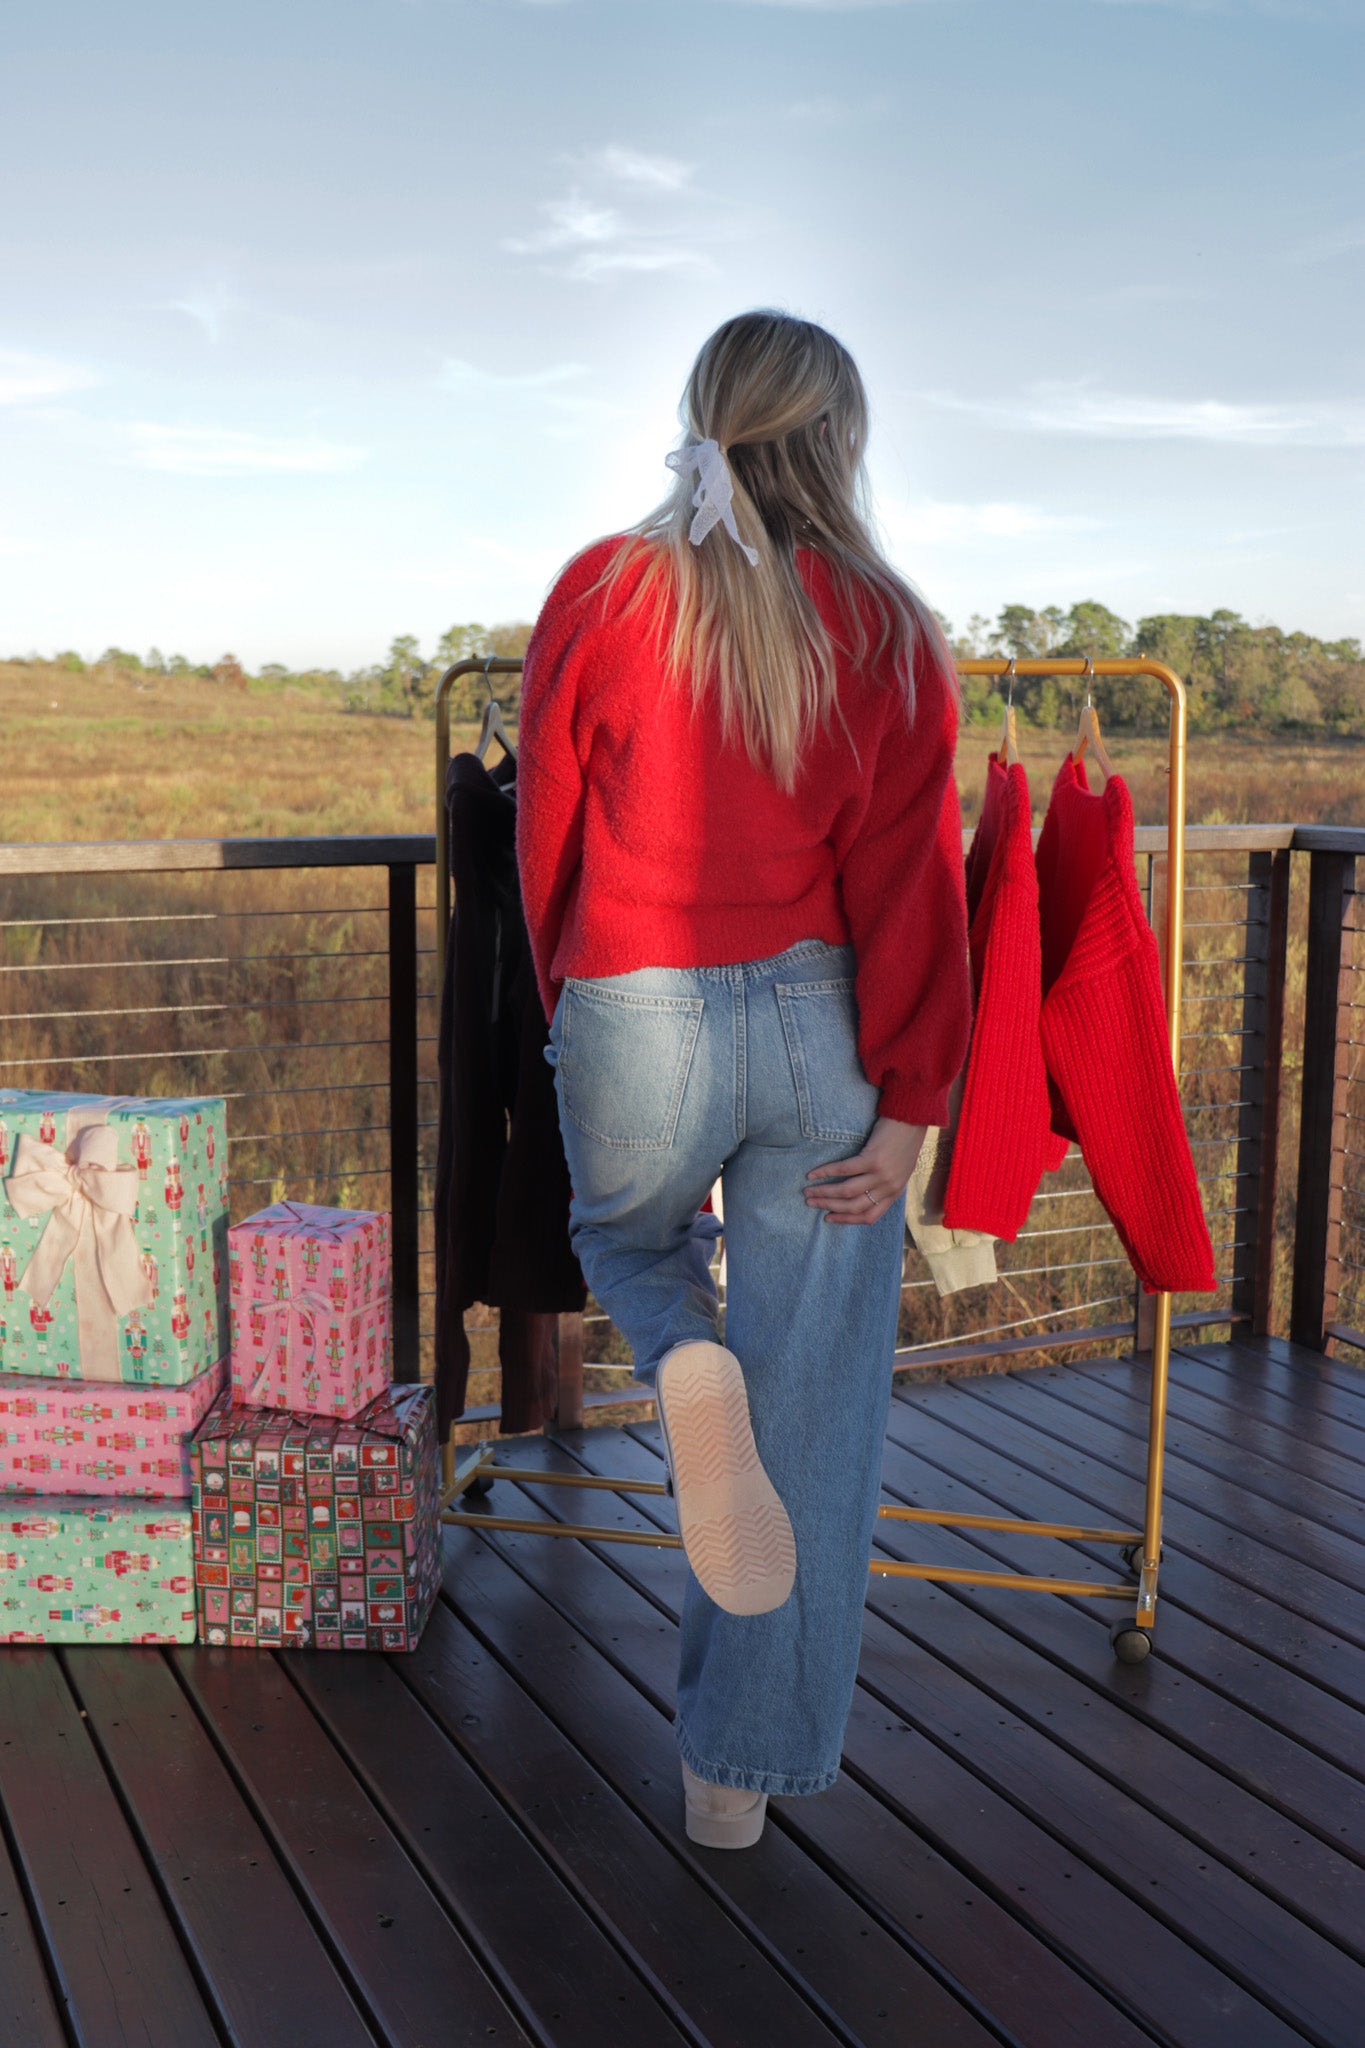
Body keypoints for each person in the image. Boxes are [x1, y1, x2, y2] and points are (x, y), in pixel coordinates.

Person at [516, 309, 972, 1850]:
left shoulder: (606, 588)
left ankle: (672, 1354)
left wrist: (568, 1005)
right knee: (815, 1417)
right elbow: (914, 884)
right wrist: (909, 1103)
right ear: (838, 437)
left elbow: (549, 834)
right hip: (822, 1024)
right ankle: (734, 1786)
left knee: (628, 1246)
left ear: (703, 414)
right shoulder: (890, 625)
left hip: (634, 1000)